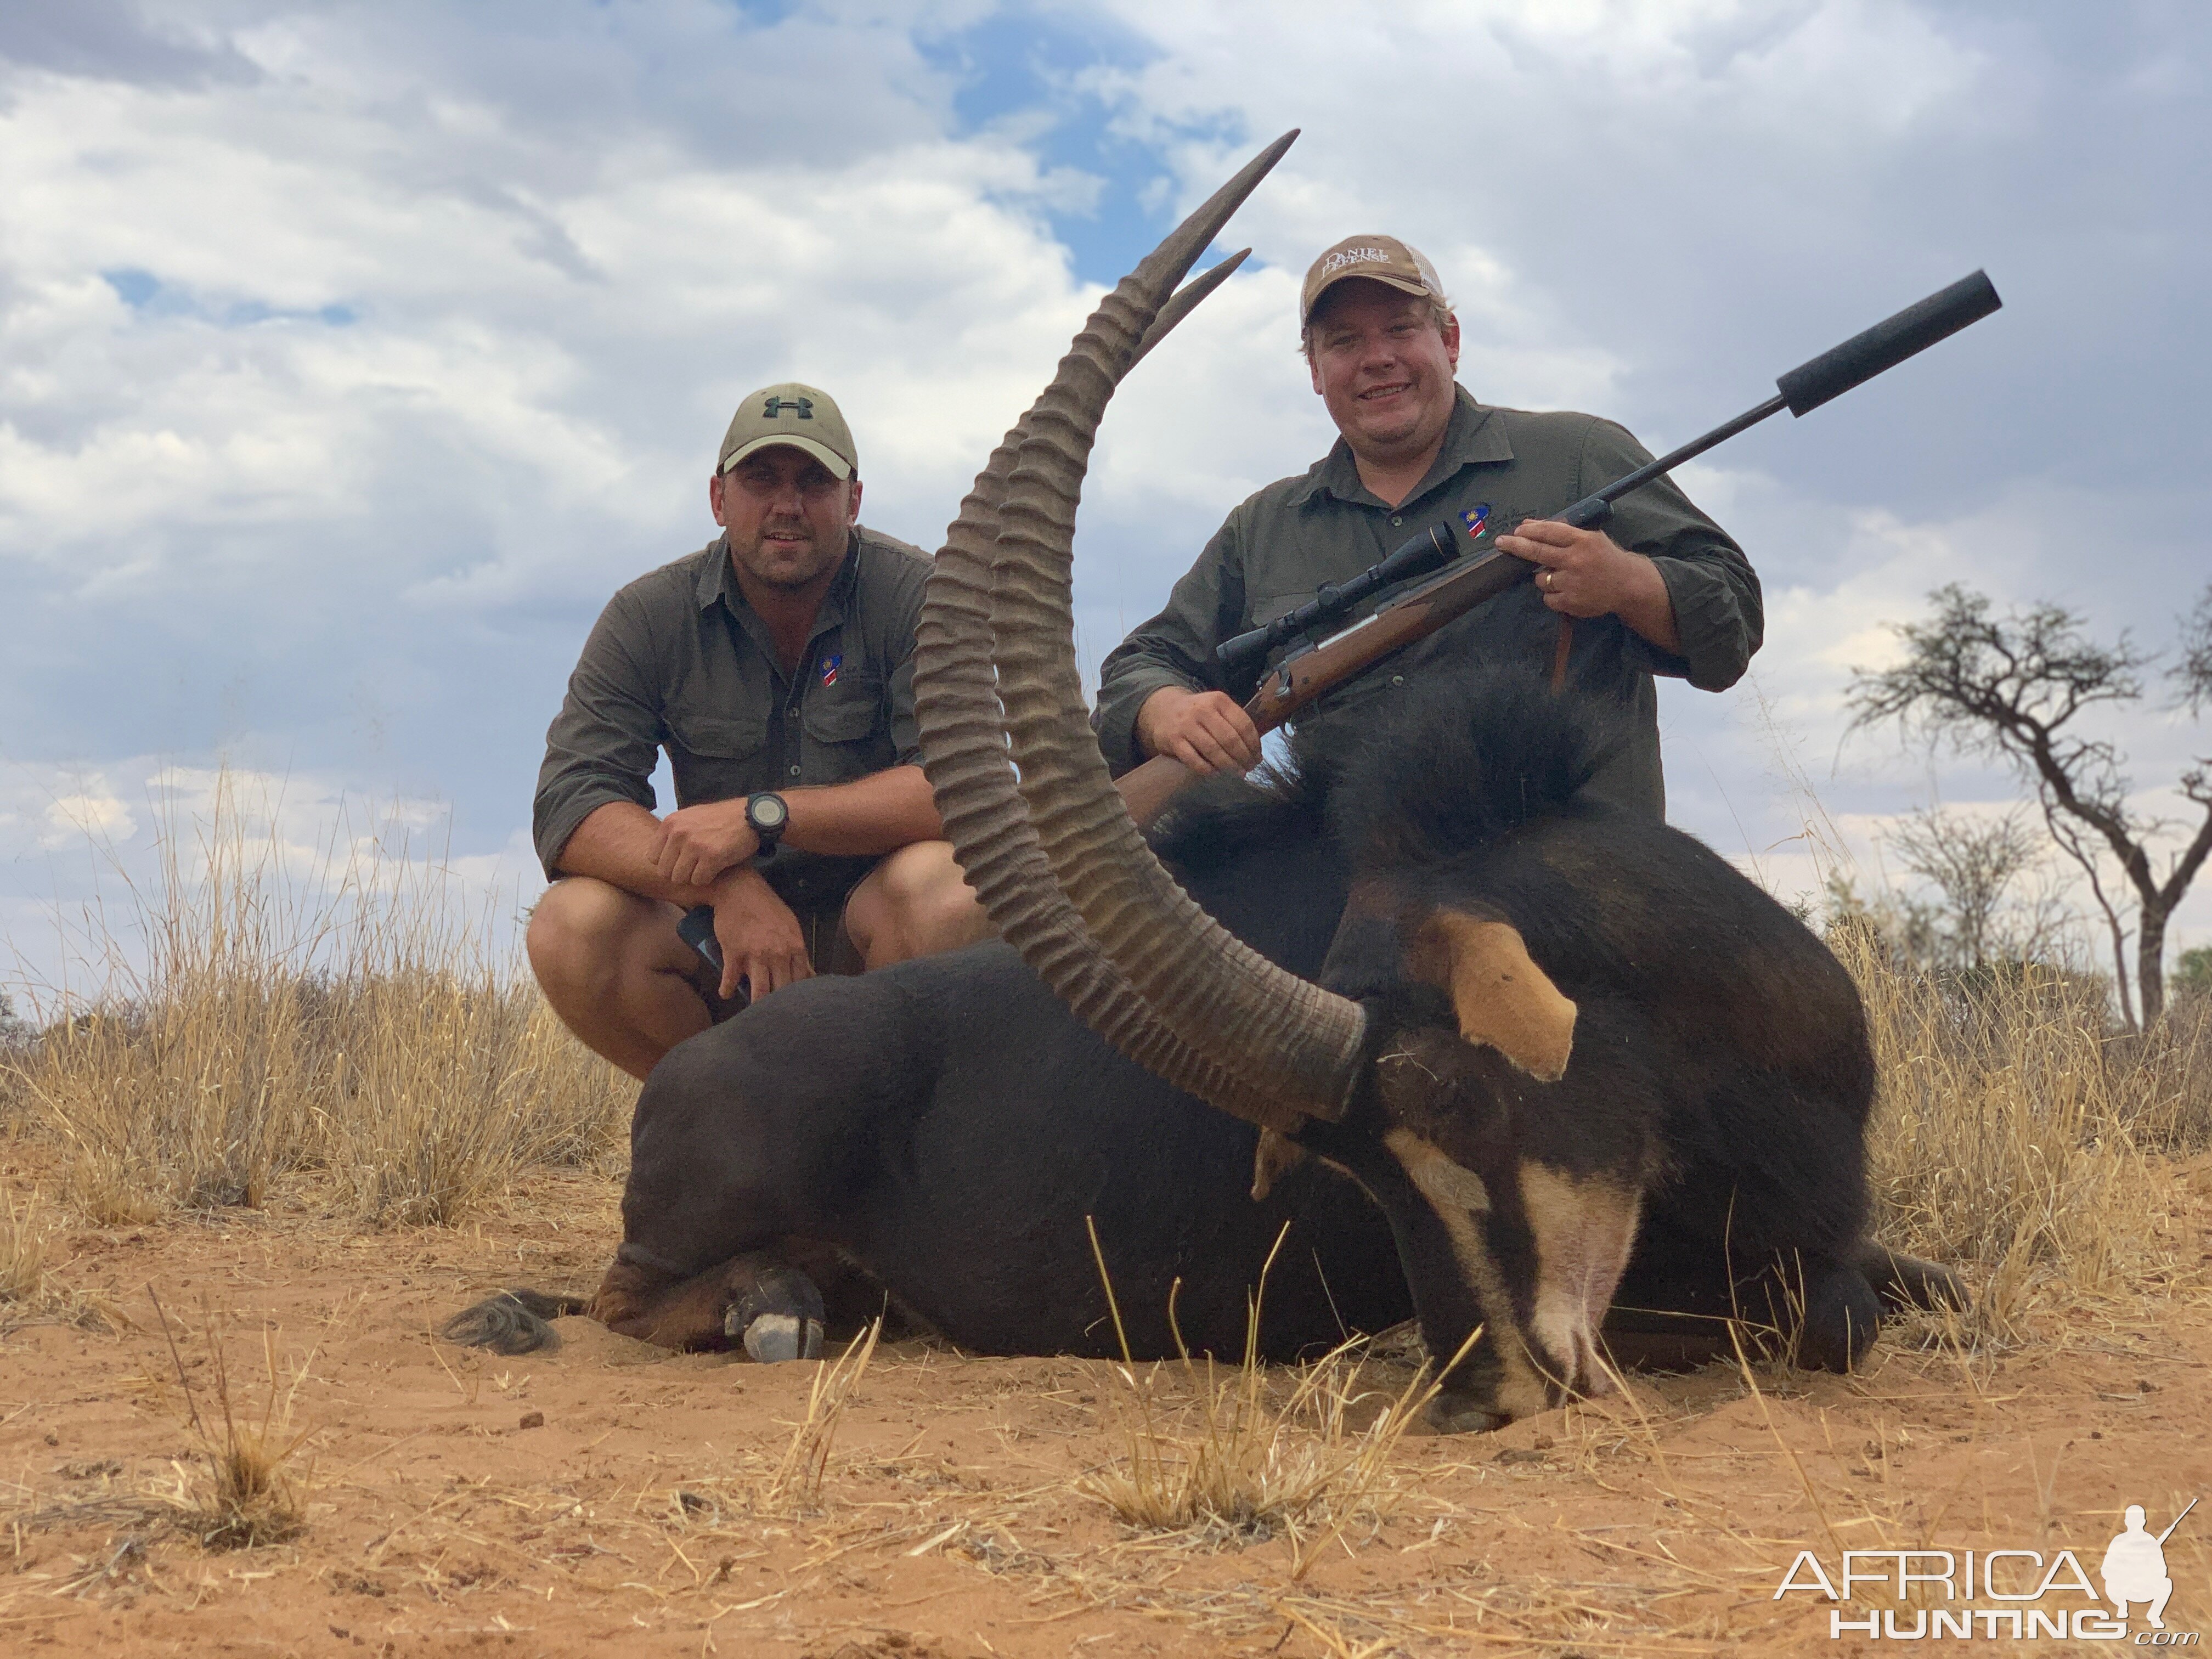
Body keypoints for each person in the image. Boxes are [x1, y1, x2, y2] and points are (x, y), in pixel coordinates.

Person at [1092, 236, 1762, 817]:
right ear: (1316, 374)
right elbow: (1143, 664)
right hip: (1352, 925)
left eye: (1400, 330)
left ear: (1450, 341)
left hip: (1573, 897)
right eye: (1344, 342)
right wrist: (1166, 711)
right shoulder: (1264, 525)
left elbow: (1733, 616)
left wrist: (1627, 582)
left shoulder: (1580, 455)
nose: (1376, 358)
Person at [528, 382, 988, 1080]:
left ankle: (891, 1127)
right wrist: (726, 889)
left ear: (853, 501)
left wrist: (764, 817)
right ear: (718, 498)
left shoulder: (925, 597)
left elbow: (965, 789)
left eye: (814, 482)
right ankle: (721, 1121)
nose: (787, 506)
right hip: (725, 947)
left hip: (873, 939)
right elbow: (573, 806)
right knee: (571, 926)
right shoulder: (648, 614)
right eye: (760, 479)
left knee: (947, 890)